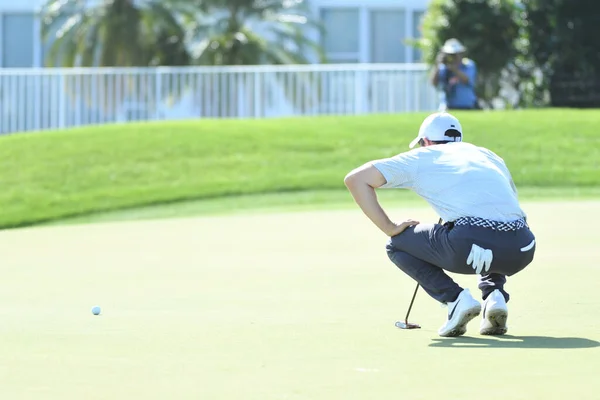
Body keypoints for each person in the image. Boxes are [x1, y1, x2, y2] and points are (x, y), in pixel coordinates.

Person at [343, 112, 536, 337]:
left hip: (469, 245)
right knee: (487, 234)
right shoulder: (487, 155)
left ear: (425, 141)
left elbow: (355, 179)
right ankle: (495, 296)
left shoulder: (422, 156)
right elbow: (503, 206)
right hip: (523, 247)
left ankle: (455, 299)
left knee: (397, 244)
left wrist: (390, 227)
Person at [430, 38, 478, 111]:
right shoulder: (443, 68)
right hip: (447, 107)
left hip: (466, 106)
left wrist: (454, 69)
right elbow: (434, 83)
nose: (452, 57)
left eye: (454, 55)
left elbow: (467, 80)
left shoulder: (468, 65)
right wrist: (437, 65)